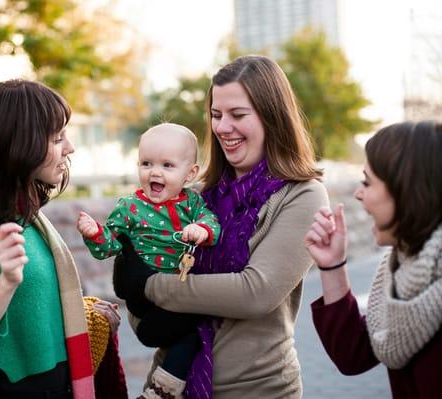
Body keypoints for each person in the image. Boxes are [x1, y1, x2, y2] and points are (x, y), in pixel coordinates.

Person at [114, 55, 329, 398]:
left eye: (238, 115)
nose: (223, 127)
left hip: (257, 389)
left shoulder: (302, 196)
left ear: (272, 117)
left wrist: (151, 286)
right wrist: (140, 303)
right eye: (216, 115)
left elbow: (254, 293)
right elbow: (137, 273)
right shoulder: (192, 198)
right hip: (170, 385)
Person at [0, 79, 124, 399]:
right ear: (22, 142)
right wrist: (5, 284)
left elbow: (33, 308)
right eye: (58, 137)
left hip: (60, 386)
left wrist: (84, 312)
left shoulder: (28, 214)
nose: (70, 147)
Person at [77, 122, 221, 397]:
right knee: (193, 326)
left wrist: (200, 230)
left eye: (167, 165)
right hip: (147, 301)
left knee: (190, 336)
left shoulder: (192, 204)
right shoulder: (130, 207)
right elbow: (109, 246)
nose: (154, 171)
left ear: (190, 173)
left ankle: (162, 389)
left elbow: (212, 224)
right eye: (146, 163)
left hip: (178, 295)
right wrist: (95, 234)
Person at [306, 121, 442, 399]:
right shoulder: (403, 269)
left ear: (407, 191)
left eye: (367, 182)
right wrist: (332, 265)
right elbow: (353, 355)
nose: (358, 193)